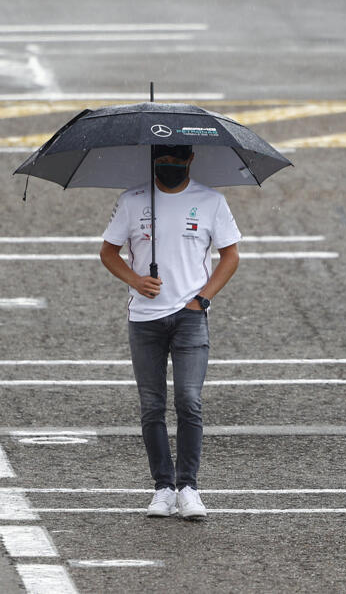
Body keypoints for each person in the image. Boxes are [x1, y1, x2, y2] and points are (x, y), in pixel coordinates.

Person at [99, 144, 241, 520]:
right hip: (144, 319)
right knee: (152, 405)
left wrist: (203, 299)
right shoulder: (132, 201)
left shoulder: (211, 201)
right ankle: (162, 487)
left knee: (189, 400)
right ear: (152, 160)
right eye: (162, 160)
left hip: (190, 316)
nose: (169, 166)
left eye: (177, 160)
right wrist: (135, 280)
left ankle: (189, 487)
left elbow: (231, 256)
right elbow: (108, 252)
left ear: (191, 159)